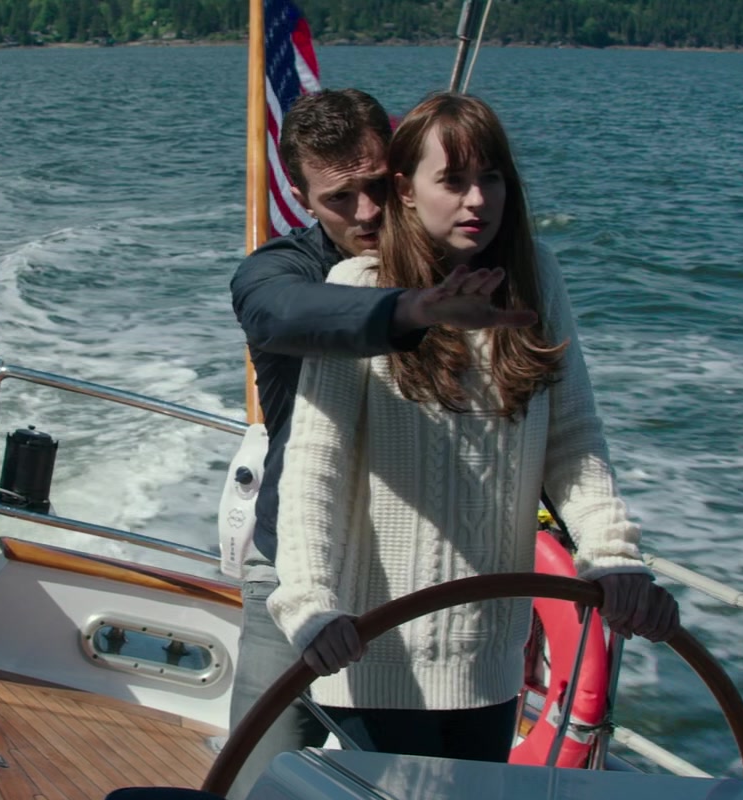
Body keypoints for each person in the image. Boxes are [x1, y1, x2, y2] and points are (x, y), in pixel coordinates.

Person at [264, 92, 681, 763]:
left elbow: (573, 440)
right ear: (406, 190)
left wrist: (612, 555)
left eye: (491, 178)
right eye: (453, 181)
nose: (477, 200)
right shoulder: (357, 285)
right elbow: (318, 467)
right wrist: (310, 601)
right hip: (372, 650)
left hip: (492, 662)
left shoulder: (536, 277)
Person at [226, 88, 538, 799]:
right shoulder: (276, 274)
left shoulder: (463, 267)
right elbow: (284, 312)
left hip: (413, 580)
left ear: (399, 175)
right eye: (340, 198)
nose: (366, 213)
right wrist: (412, 309)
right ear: (302, 198)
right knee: (251, 779)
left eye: (375, 187)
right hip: (294, 567)